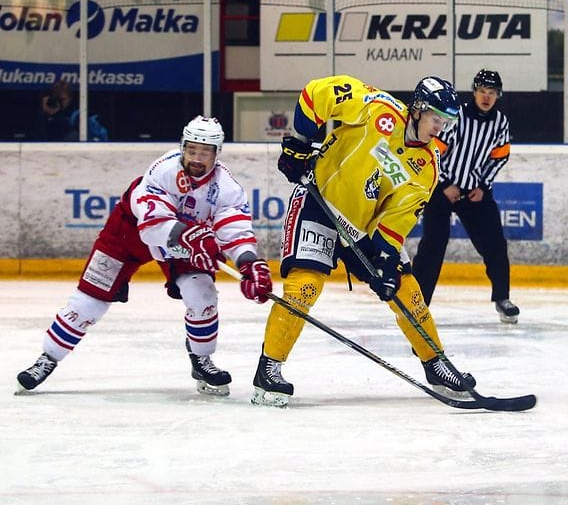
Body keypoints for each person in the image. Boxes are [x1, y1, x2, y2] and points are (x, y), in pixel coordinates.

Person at [15, 116, 273, 396]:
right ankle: (48, 357)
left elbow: (235, 229)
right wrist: (191, 238)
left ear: (217, 153)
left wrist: (248, 262)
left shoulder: (226, 187)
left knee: (202, 293)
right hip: (129, 235)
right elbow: (151, 228)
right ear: (183, 147)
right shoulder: (163, 170)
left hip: (185, 241)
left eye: (205, 152)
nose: (197, 159)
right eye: (192, 150)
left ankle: (201, 359)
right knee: (90, 301)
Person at [255, 74, 467, 407]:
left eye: (446, 122)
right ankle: (269, 368)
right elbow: (317, 93)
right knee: (304, 287)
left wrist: (385, 263)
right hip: (318, 201)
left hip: (359, 228)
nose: (440, 128)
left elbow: (395, 221)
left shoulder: (426, 168)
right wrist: (300, 142)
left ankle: (435, 362)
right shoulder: (377, 108)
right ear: (418, 109)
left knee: (407, 291)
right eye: (436, 118)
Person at [412, 69, 519, 324]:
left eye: (491, 92)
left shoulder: (500, 122)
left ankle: (502, 298)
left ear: (498, 95)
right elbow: (433, 151)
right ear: (474, 91)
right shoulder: (456, 116)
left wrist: (482, 186)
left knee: (495, 244)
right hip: (443, 189)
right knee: (433, 245)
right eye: (482, 91)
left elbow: (500, 156)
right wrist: (443, 184)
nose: (486, 97)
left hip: (474, 192)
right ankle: (416, 302)